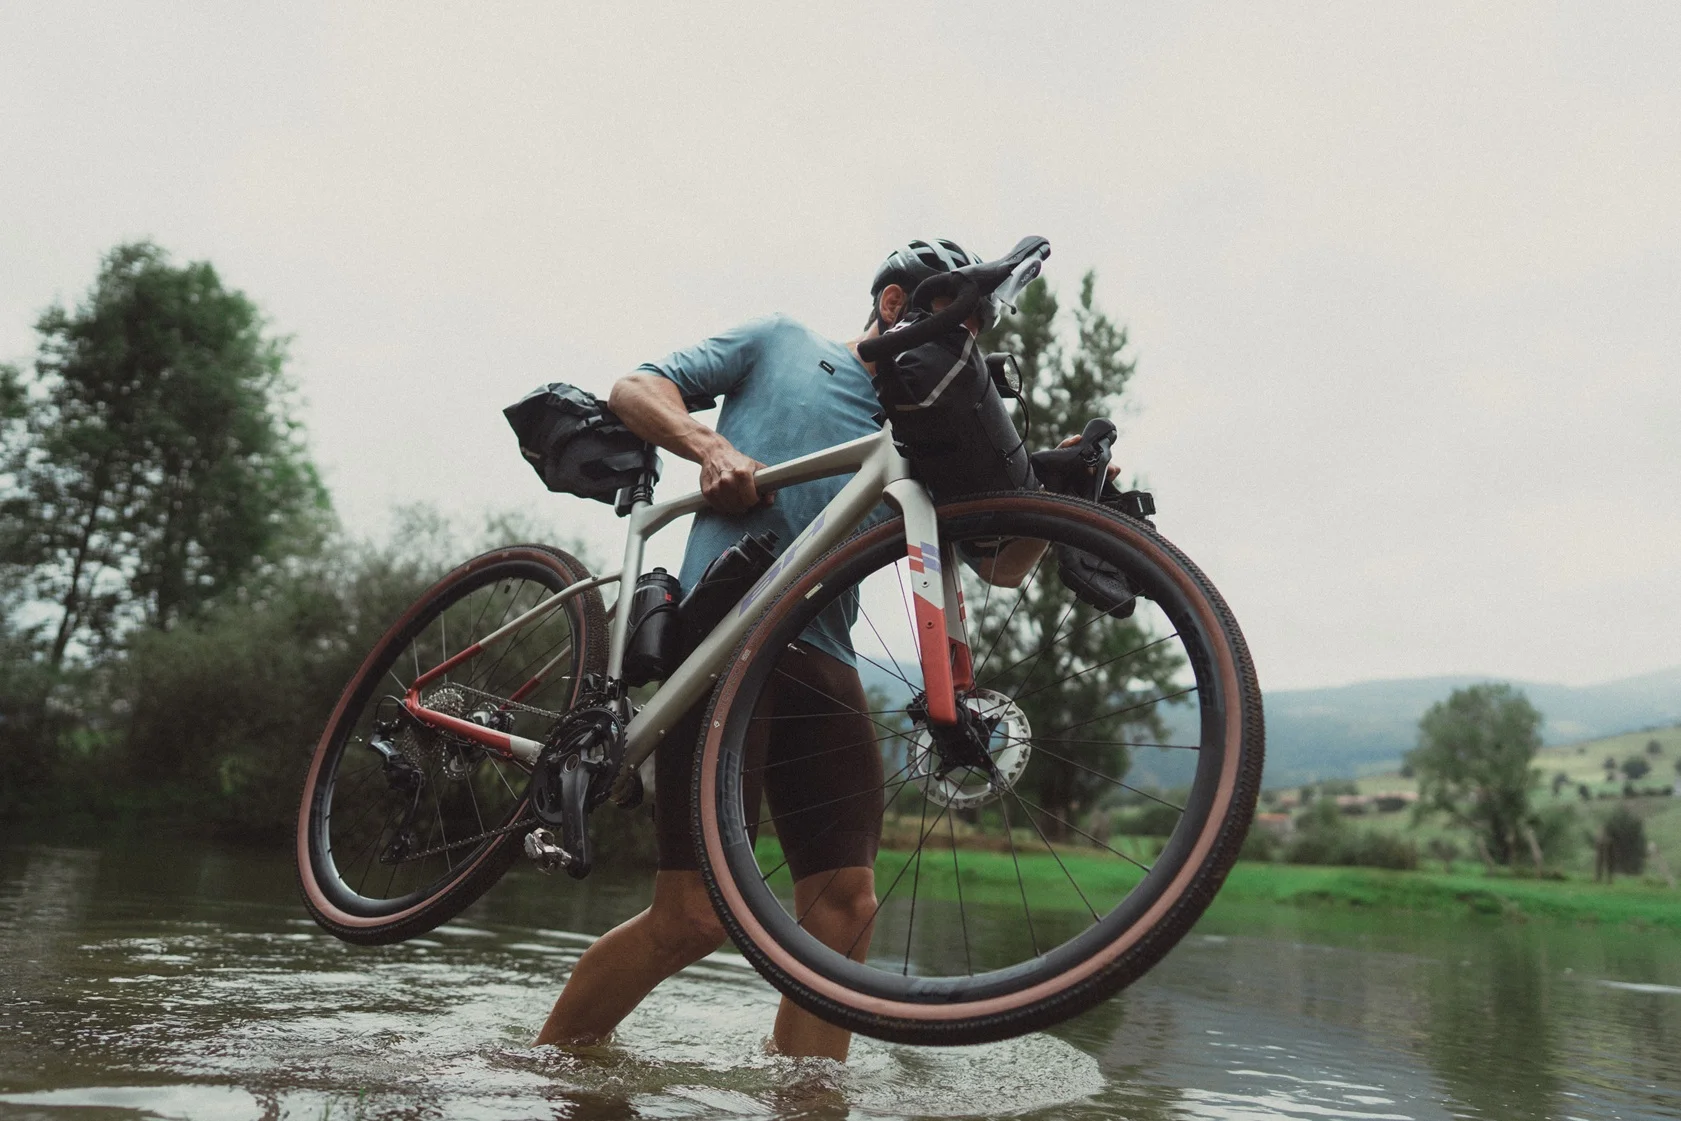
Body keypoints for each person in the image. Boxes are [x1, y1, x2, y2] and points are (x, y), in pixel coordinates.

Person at [534, 239, 1073, 1060]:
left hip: (825, 662)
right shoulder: (783, 341)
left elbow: (999, 568)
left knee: (846, 910)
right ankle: (544, 1072)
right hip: (722, 640)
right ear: (893, 305)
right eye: (949, 319)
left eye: (973, 329)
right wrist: (709, 447)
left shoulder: (924, 435)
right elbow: (635, 388)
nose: (961, 342)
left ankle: (806, 1101)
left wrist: (1056, 499)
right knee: (693, 917)